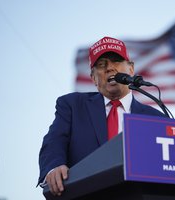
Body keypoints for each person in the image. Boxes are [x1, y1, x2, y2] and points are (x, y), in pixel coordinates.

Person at [37, 36, 166, 196]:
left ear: (131, 69)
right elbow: (54, 141)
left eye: (116, 61)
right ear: (93, 78)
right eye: (101, 65)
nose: (109, 68)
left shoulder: (156, 118)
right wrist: (54, 166)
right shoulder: (73, 105)